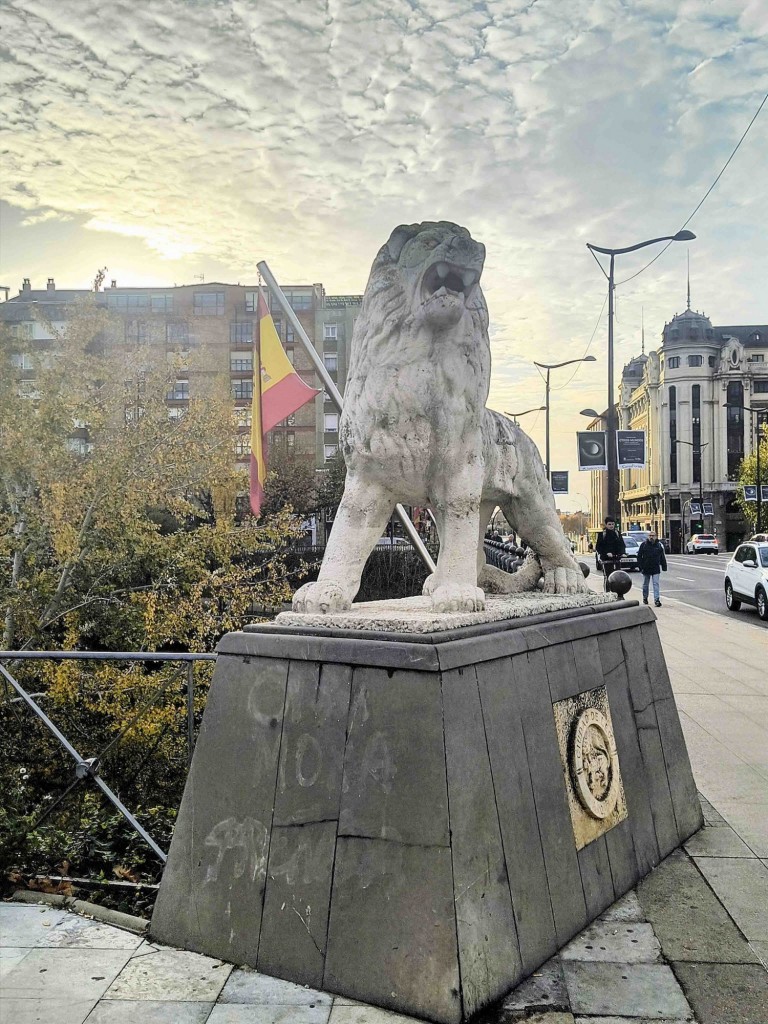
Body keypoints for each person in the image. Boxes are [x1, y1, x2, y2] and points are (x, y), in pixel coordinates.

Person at [637, 529, 667, 607]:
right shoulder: (644, 545)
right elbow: (639, 556)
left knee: (656, 584)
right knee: (645, 584)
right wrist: (640, 566)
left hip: (655, 567)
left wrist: (664, 566)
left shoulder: (659, 545)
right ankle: (645, 597)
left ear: (656, 537)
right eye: (650, 535)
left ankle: (657, 600)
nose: (651, 537)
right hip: (646, 567)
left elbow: (662, 557)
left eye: (653, 536)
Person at [595, 517, 625, 591]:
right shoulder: (602, 535)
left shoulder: (617, 533)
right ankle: (607, 593)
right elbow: (598, 547)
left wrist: (622, 553)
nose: (611, 526)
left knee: (617, 577)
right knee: (608, 577)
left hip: (616, 559)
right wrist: (606, 553)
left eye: (612, 524)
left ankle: (617, 593)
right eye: (609, 524)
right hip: (606, 560)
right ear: (606, 525)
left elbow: (622, 545)